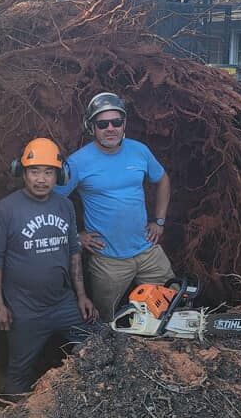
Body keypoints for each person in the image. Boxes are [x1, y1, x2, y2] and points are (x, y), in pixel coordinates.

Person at [0, 137, 97, 397]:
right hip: (24, 310)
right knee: (19, 371)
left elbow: (73, 253)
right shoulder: (6, 209)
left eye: (49, 172)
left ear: (59, 176)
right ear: (22, 172)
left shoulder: (65, 206)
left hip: (63, 303)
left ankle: (89, 404)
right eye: (34, 171)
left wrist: (81, 296)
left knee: (96, 346)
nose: (41, 179)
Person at [56, 91, 173, 322]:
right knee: (106, 320)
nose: (110, 128)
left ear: (124, 124)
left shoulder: (139, 150)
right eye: (102, 124)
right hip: (108, 260)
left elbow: (162, 179)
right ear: (92, 127)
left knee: (169, 305)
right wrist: (76, 236)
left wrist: (159, 221)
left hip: (147, 250)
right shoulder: (78, 162)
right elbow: (52, 201)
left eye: (116, 122)